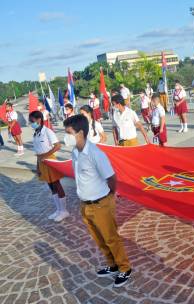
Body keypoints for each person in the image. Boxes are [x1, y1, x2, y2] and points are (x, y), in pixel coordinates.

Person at [63, 114, 132, 288]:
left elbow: (111, 177)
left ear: (80, 132)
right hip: (85, 204)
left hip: (100, 203)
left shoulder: (95, 153)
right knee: (99, 239)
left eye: (68, 132)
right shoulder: (75, 152)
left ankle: (124, 267)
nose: (66, 136)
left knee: (111, 238)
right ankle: (112, 265)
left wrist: (109, 196)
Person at [29, 111, 69, 222]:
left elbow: (58, 146)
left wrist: (45, 156)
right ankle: (58, 209)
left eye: (32, 121)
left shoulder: (47, 131)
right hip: (41, 161)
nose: (31, 123)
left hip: (49, 159)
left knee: (56, 184)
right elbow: (38, 152)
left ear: (39, 120)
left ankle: (64, 211)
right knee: (50, 186)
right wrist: (38, 166)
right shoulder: (36, 133)